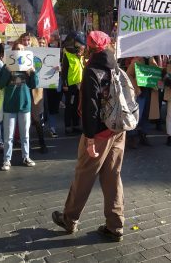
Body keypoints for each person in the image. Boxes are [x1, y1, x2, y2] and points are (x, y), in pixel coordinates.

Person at [52, 31, 125, 242]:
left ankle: (69, 219)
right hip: (118, 129)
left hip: (99, 132)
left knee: (84, 175)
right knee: (113, 177)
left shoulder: (92, 70)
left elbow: (90, 108)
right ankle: (115, 225)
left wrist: (90, 138)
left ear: (90, 47)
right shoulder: (115, 65)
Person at [0, 40, 38, 170]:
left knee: (25, 135)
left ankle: (26, 157)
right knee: (8, 136)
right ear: (13, 52)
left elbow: (34, 85)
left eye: (22, 49)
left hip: (24, 104)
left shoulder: (28, 66)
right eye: (17, 49)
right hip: (10, 105)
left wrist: (33, 73)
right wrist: (7, 71)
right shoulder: (6, 66)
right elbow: (0, 84)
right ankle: (7, 160)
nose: (19, 51)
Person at [61, 32, 86, 135]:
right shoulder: (67, 55)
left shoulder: (81, 56)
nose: (80, 47)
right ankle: (67, 126)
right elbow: (64, 72)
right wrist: (65, 84)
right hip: (70, 86)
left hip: (79, 85)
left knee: (77, 106)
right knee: (69, 106)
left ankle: (76, 124)